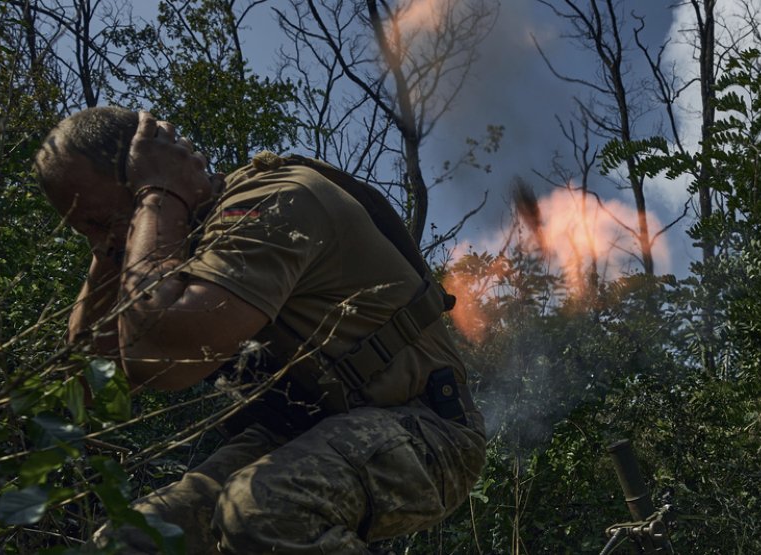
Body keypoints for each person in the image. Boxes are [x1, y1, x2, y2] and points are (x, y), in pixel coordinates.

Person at [34, 106, 486, 554]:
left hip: (428, 430)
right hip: (298, 433)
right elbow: (86, 382)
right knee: (132, 541)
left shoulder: (275, 201)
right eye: (82, 232)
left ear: (142, 173)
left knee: (260, 510)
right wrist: (112, 247)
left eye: (97, 222)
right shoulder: (170, 239)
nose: (100, 242)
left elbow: (165, 352)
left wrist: (158, 195)